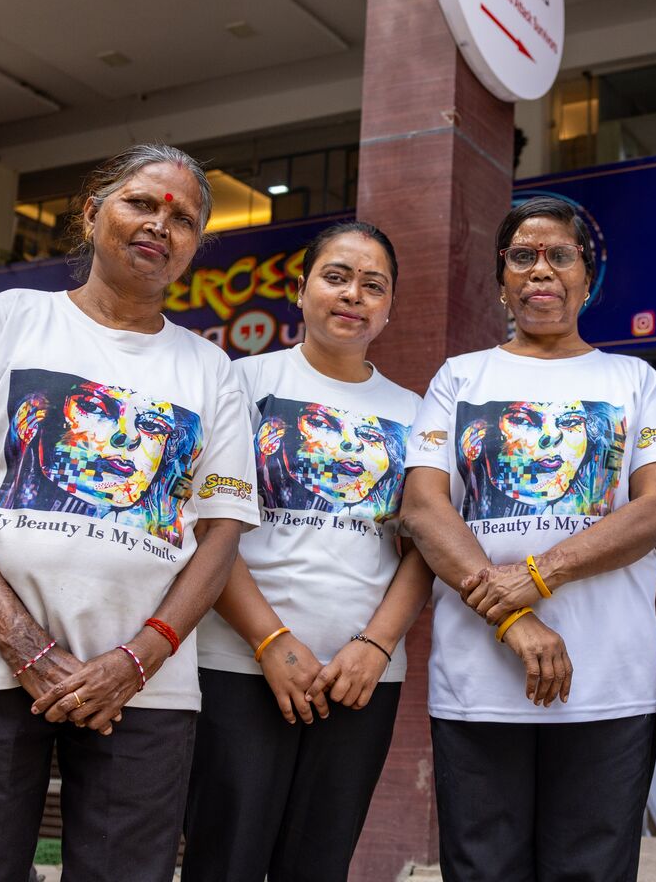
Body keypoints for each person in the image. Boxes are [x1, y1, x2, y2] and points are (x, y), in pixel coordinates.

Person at [0, 145, 258, 880]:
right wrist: (25, 646)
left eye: (183, 219)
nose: (161, 225)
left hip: (145, 691)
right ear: (93, 214)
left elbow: (221, 533)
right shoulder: (10, 321)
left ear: (193, 247)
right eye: (142, 204)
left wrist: (137, 660)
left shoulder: (210, 369)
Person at [400, 196, 656, 882]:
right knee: (483, 870)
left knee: (591, 871)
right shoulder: (460, 378)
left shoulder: (632, 380)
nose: (541, 272)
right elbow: (423, 508)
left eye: (561, 255)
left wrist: (540, 572)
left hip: (610, 684)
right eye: (522, 257)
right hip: (477, 683)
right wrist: (515, 619)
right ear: (501, 278)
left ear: (588, 276)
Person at [184, 222, 433, 880]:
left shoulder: (413, 413)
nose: (353, 295)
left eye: (372, 286)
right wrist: (270, 641)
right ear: (300, 290)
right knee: (224, 861)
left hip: (361, 680)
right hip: (238, 666)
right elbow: (212, 526)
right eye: (336, 277)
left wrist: (375, 646)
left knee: (319, 865)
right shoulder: (242, 382)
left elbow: (424, 551)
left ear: (389, 307)